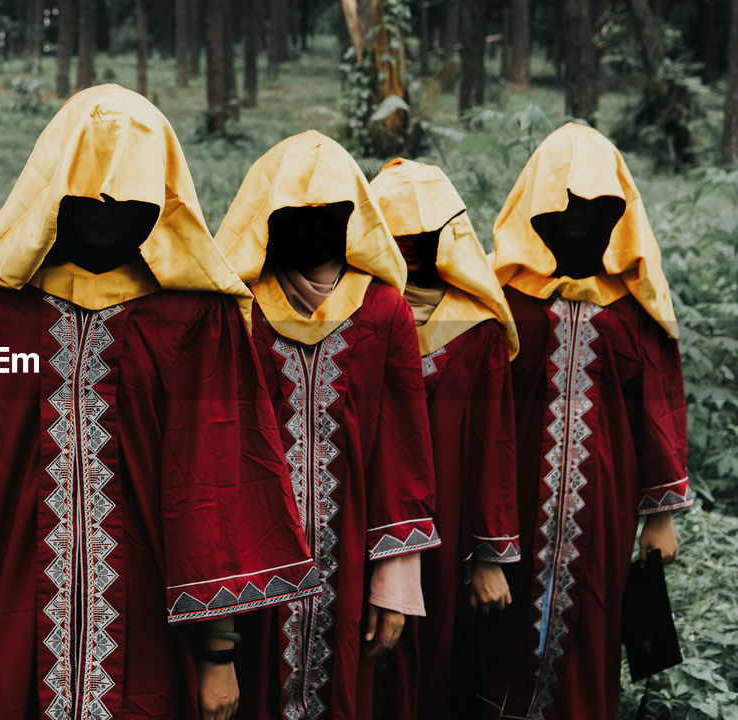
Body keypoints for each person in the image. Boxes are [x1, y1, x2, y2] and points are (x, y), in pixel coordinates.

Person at [0, 85, 318, 720]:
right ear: (57, 187)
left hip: (150, 631)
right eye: (92, 194)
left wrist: (219, 655)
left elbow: (220, 484)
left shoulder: (196, 320)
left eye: (129, 196)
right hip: (5, 624)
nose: (108, 211)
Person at [213, 131, 439, 720]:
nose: (313, 228)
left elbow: (402, 444)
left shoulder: (384, 308)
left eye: (328, 215)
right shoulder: (239, 310)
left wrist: (393, 581)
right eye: (296, 215)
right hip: (252, 565)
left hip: (352, 561)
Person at [486, 123, 692, 720]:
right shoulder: (507, 298)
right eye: (564, 203)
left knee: (593, 617)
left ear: (615, 210)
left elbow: (658, 406)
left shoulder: (634, 306)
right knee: (501, 627)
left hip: (605, 500)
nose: (576, 216)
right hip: (514, 493)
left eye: (591, 204)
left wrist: (660, 518)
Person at [368, 158, 520, 719]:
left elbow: (495, 445)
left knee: (436, 663)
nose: (408, 251)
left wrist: (490, 555)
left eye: (420, 238)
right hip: (366, 516)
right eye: (395, 237)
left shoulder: (477, 330)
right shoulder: (354, 317)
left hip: (448, 526)